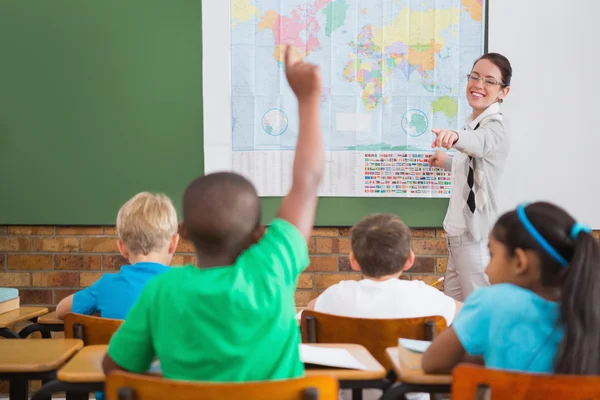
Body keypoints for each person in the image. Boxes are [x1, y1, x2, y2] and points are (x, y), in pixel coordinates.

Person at [101, 45, 325, 382]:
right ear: (258, 234)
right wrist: (308, 99)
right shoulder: (273, 268)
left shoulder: (162, 291)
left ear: (185, 232)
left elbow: (114, 369)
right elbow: (307, 183)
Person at [422, 202, 600, 375]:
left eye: (492, 255)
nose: (486, 269)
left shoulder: (492, 302)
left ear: (519, 262)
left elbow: (431, 362)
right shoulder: (590, 309)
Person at [428, 53, 512, 301]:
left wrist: (454, 136)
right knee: (455, 317)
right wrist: (447, 161)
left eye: (489, 80)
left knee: (480, 317)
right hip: (457, 241)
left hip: (473, 241)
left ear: (502, 92)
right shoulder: (475, 122)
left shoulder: (494, 125)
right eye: (474, 77)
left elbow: (479, 145)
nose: (478, 85)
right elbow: (475, 168)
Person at [306, 213, 460, 324]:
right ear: (409, 260)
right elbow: (469, 313)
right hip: (405, 369)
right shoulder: (426, 297)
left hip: (350, 370)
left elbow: (309, 309)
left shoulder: (335, 296)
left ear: (353, 261)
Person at [55, 192, 178, 319]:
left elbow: (61, 311)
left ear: (122, 247)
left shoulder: (105, 287)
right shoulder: (189, 289)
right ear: (173, 244)